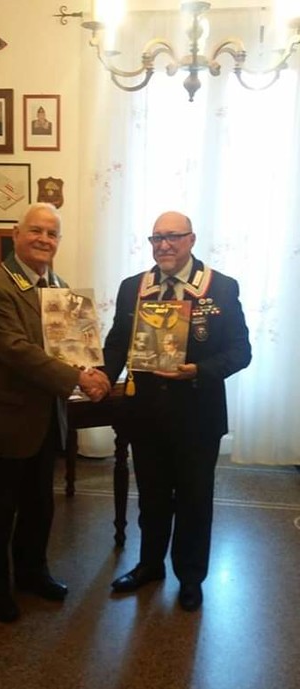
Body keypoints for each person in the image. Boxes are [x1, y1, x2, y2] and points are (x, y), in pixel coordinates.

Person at [0, 203, 111, 622]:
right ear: (16, 234)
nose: (44, 239)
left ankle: (31, 573)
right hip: (0, 422)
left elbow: (72, 347)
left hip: (43, 420)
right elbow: (17, 351)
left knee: (38, 506)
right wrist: (79, 378)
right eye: (36, 231)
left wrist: (91, 368)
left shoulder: (59, 287)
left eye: (52, 233)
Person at [103, 211, 251, 611]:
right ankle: (150, 565)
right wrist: (100, 376)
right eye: (157, 238)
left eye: (173, 237)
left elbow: (241, 352)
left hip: (198, 415)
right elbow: (117, 344)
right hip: (145, 414)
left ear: (191, 239)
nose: (164, 245)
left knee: (194, 500)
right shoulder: (133, 287)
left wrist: (198, 370)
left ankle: (190, 577)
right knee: (151, 498)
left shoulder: (220, 287)